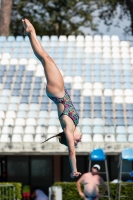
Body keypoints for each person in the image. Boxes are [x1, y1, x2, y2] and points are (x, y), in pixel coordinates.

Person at [22, 19, 82, 178]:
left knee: (45, 59)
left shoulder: (68, 129)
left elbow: (71, 151)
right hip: (59, 92)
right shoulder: (73, 124)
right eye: (77, 142)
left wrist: (74, 170)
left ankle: (31, 32)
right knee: (46, 59)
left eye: (77, 142)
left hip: (58, 93)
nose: (78, 141)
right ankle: (31, 32)